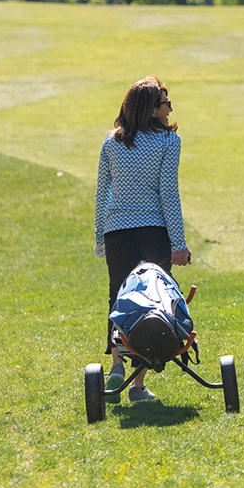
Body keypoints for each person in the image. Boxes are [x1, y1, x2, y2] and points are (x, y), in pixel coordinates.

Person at [94, 76, 192, 402]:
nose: (171, 107)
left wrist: (99, 237)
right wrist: (178, 243)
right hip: (153, 231)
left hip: (116, 231)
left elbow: (102, 194)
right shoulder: (168, 142)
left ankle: (116, 365)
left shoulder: (111, 143)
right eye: (165, 102)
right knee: (153, 300)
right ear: (151, 110)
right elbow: (168, 194)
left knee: (118, 299)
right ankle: (137, 386)